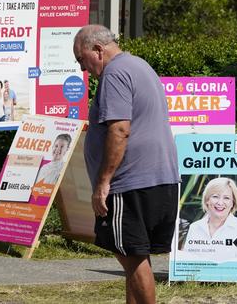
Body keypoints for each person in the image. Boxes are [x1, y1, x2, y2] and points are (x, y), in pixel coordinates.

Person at [73, 25, 179, 304]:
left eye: (81, 59)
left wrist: (103, 182)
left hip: (130, 183)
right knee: (135, 257)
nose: (83, 68)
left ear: (98, 50)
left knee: (132, 259)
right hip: (158, 179)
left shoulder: (115, 73)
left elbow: (120, 129)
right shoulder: (139, 65)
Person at [183, 177, 237, 259]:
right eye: (215, 196)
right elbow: (188, 261)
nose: (220, 203)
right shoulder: (195, 227)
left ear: (233, 202)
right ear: (207, 200)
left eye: (226, 198)